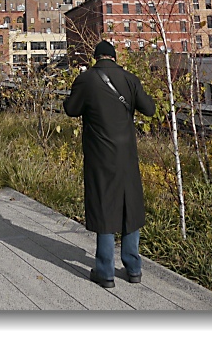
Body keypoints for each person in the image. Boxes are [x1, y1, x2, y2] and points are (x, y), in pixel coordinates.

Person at [63, 39, 156, 289]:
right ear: (114, 57)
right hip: (126, 156)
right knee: (130, 206)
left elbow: (71, 109)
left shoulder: (86, 80)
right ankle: (133, 268)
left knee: (104, 206)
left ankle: (105, 272)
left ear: (96, 58)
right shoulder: (130, 79)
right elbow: (149, 109)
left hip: (99, 156)